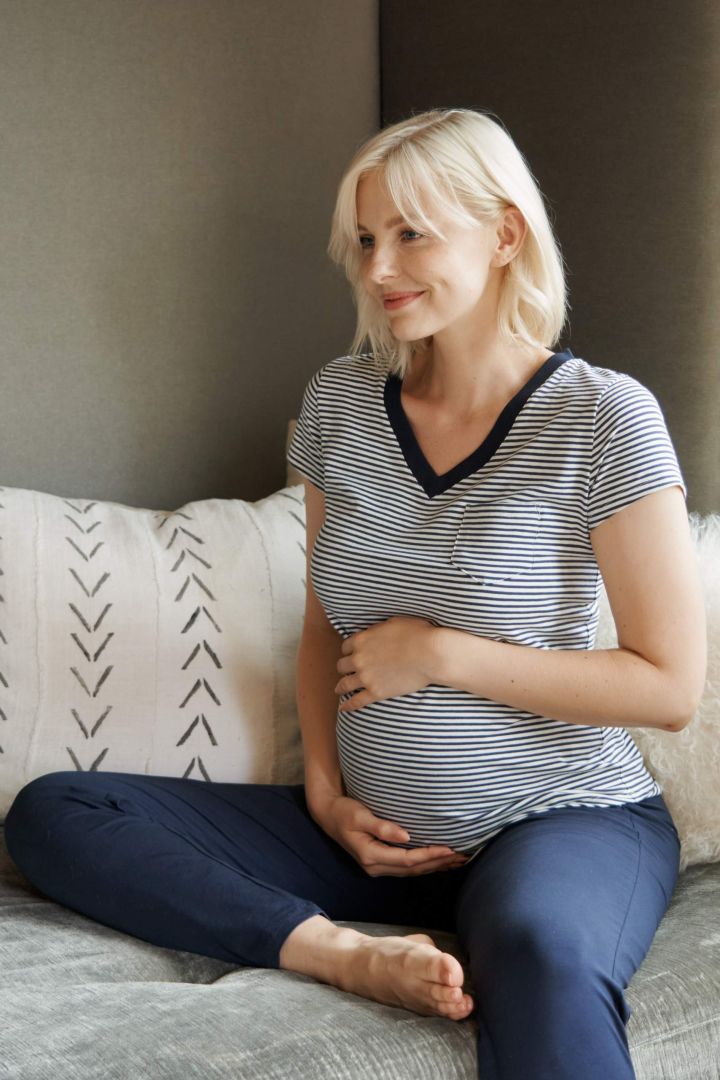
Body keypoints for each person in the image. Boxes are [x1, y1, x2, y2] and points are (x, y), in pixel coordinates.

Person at [4, 108, 707, 1080]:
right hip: (363, 839)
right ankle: (338, 951)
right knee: (56, 812)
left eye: (412, 233)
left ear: (504, 233)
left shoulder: (604, 417)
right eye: (367, 240)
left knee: (543, 955)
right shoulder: (342, 401)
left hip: (558, 822)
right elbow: (323, 628)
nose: (379, 269)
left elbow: (668, 687)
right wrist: (330, 798)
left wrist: (443, 654)